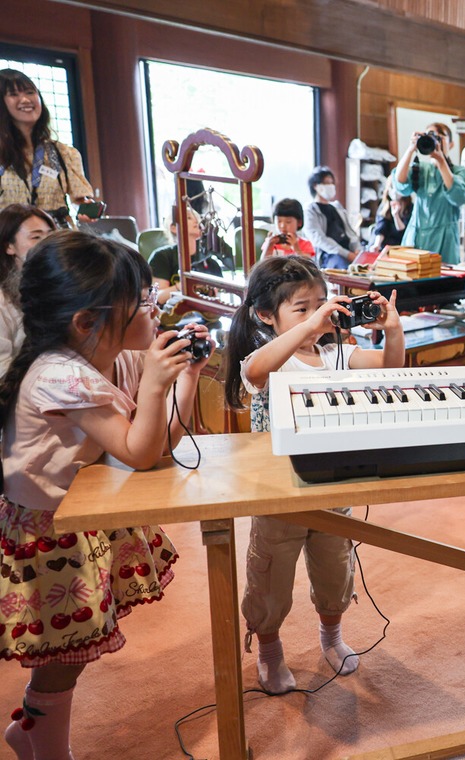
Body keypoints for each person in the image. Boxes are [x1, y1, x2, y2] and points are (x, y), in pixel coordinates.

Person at [0, 230, 209, 759]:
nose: (155, 306)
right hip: (47, 528)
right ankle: (41, 742)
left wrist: (185, 377)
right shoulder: (60, 376)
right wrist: (160, 384)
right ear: (86, 321)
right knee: (64, 648)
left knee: (70, 647)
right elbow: (139, 453)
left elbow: (156, 442)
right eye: (142, 300)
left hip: (81, 512)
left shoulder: (112, 355)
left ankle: (33, 730)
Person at [222, 255, 405, 694]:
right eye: (300, 308)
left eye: (322, 304)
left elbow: (392, 369)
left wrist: (394, 329)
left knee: (334, 568)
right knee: (271, 577)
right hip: (277, 492)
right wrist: (312, 325)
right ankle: (269, 651)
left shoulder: (335, 353)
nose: (317, 315)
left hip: (332, 484)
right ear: (266, 315)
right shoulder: (270, 357)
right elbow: (255, 371)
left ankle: (332, 636)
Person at [0, 69, 96, 225]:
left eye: (30, 92)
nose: (25, 100)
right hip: (8, 241)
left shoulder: (63, 153)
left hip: (54, 241)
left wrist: (87, 209)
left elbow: (79, 200)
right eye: (13, 94)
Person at [392, 121, 465, 265]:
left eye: (440, 137)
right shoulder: (420, 169)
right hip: (416, 239)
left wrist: (442, 162)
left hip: (444, 244)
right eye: (430, 136)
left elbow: (460, 196)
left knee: (440, 285)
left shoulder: (458, 172)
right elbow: (399, 183)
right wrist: (410, 149)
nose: (435, 141)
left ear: (451, 144)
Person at [147, 203, 222, 329]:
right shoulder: (162, 257)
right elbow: (158, 298)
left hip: (205, 324)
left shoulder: (210, 261)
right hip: (169, 324)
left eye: (197, 218)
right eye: (188, 218)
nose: (196, 221)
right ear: (174, 228)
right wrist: (185, 286)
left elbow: (217, 299)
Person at [0, 204, 54, 375]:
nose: (47, 243)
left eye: (50, 235)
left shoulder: (59, 284)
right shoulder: (2, 299)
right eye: (36, 237)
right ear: (9, 246)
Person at [302, 166, 361, 270]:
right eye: (326, 183)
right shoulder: (310, 210)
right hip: (329, 255)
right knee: (344, 267)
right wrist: (347, 254)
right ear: (316, 186)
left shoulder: (337, 207)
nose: (330, 186)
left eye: (331, 183)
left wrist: (357, 249)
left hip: (349, 251)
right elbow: (319, 240)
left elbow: (350, 232)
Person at [369, 177, 411, 251]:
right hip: (384, 246)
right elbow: (381, 227)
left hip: (401, 246)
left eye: (396, 187)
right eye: (392, 187)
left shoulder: (410, 207)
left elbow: (402, 231)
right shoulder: (384, 205)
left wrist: (396, 215)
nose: (394, 191)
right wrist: (377, 244)